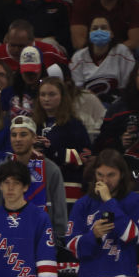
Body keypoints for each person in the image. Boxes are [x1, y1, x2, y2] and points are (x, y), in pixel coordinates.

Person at [64, 150, 139, 277]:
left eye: (111, 175)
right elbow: (72, 246)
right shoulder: (82, 204)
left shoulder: (136, 202)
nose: (105, 181)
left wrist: (109, 201)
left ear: (122, 174)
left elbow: (130, 235)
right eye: (100, 175)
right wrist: (93, 235)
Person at [0, 116, 68, 250]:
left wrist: (58, 241)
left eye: (23, 134)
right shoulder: (0, 170)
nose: (18, 139)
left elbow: (59, 210)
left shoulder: (50, 170)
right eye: (14, 135)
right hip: (7, 242)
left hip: (43, 242)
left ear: (34, 138)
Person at [31, 76, 92, 208]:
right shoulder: (33, 124)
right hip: (36, 186)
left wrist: (54, 150)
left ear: (62, 97)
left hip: (67, 186)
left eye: (52, 94)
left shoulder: (74, 125)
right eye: (43, 94)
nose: (46, 99)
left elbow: (85, 156)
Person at [69, 17, 135, 107]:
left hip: (116, 103)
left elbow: (128, 84)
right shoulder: (78, 57)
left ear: (111, 33)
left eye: (103, 28)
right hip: (88, 105)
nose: (99, 31)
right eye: (95, 28)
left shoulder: (122, 51)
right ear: (89, 34)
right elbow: (77, 90)